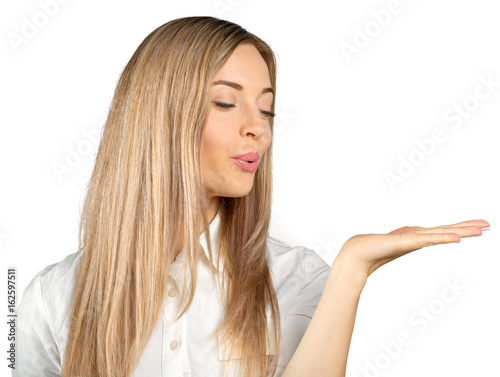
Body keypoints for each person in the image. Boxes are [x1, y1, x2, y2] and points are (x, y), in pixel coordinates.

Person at [15, 16, 489, 377]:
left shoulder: (300, 281)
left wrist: (352, 269)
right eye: (226, 102)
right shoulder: (48, 299)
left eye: (267, 109)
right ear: (160, 115)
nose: (258, 127)